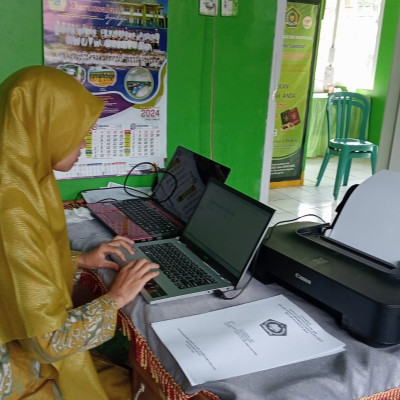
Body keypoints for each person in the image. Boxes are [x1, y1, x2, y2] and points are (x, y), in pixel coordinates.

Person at [0, 65, 159, 399]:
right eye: (77, 132)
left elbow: (17, 270)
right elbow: (49, 344)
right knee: (133, 387)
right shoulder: (12, 212)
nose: (83, 144)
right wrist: (117, 297)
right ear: (45, 129)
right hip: (18, 370)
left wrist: (80, 259)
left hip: (21, 343)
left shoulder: (21, 181)